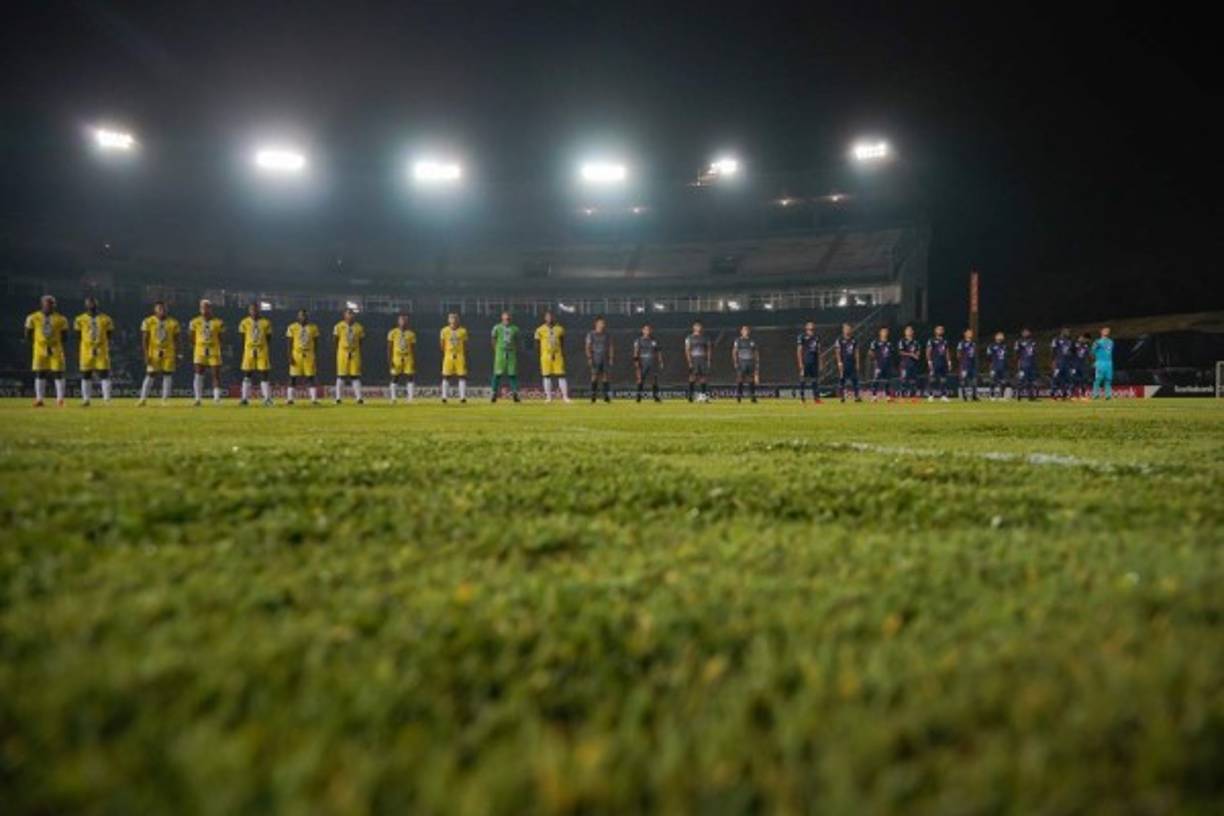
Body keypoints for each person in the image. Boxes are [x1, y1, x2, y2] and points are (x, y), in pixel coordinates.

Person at [24, 295, 68, 407]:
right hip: (40, 348)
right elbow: (27, 333)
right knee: (40, 373)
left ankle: (60, 400)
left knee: (59, 373)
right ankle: (39, 399)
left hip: (56, 348)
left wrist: (53, 342)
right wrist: (38, 343)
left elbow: (64, 336)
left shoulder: (61, 319)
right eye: (48, 303)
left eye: (53, 303)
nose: (51, 305)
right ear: (42, 303)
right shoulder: (32, 317)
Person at [73, 296, 115, 406]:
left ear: (97, 304)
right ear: (85, 305)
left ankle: (107, 400)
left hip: (101, 350)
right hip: (86, 350)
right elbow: (77, 335)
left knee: (104, 374)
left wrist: (100, 343)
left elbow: (110, 335)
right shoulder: (79, 319)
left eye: (93, 303)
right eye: (88, 303)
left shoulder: (106, 319)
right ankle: (86, 399)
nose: (91, 305)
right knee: (86, 374)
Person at [139, 301, 180, 405]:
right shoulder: (148, 321)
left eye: (164, 308)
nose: (162, 310)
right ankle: (143, 399)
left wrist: (178, 354)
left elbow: (177, 340)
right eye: (160, 308)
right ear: (155, 310)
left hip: (169, 352)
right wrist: (145, 354)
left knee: (167, 374)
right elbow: (145, 340)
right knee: (150, 374)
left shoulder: (173, 322)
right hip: (154, 352)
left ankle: (165, 400)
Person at [188, 299, 225, 406]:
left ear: (211, 308)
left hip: (214, 350)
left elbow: (222, 338)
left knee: (216, 375)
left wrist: (217, 346)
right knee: (198, 374)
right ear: (200, 309)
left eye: (207, 307)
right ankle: (198, 399)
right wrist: (199, 345)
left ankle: (217, 399)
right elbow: (191, 337)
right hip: (200, 351)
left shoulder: (218, 322)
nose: (204, 309)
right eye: (202, 307)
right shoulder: (194, 322)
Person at [238, 303, 273, 406]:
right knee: (247, 374)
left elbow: (268, 337)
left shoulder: (266, 322)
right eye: (252, 309)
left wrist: (262, 345)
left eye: (256, 309)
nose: (254, 311)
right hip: (249, 350)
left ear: (259, 310)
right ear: (249, 311)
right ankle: (244, 398)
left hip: (262, 350)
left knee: (264, 374)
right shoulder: (244, 322)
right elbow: (242, 337)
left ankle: (267, 398)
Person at [285, 309, 320, 405]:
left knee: (311, 377)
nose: (303, 317)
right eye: (301, 315)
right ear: (298, 316)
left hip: (309, 354)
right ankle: (290, 399)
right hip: (297, 354)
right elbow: (289, 343)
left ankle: (313, 399)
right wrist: (289, 356)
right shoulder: (292, 327)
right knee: (293, 377)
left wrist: (314, 355)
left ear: (307, 316)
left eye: (304, 315)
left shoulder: (313, 328)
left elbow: (316, 342)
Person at [535, 310, 570, 403]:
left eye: (551, 316)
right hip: (546, 356)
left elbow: (562, 341)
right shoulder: (539, 330)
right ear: (545, 318)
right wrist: (541, 354)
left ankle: (565, 397)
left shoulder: (560, 329)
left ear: (554, 318)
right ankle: (549, 397)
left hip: (557, 355)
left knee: (561, 375)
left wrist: (561, 352)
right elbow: (537, 343)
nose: (549, 318)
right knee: (546, 376)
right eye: (547, 317)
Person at [333, 308, 365, 404]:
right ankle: (338, 398)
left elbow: (361, 341)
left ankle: (359, 398)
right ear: (344, 315)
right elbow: (335, 340)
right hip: (342, 353)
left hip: (355, 352)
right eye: (348, 314)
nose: (350, 316)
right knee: (341, 375)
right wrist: (338, 351)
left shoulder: (359, 327)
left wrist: (356, 350)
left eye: (352, 314)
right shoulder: (338, 326)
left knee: (355, 375)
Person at [490, 312, 521, 402]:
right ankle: (494, 393)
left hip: (511, 353)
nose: (507, 320)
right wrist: (496, 350)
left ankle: (515, 393)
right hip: (500, 352)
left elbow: (517, 340)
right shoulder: (497, 327)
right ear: (502, 319)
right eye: (505, 319)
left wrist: (515, 349)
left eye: (508, 319)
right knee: (497, 373)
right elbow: (493, 339)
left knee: (512, 374)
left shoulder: (515, 328)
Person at [387, 313, 417, 404]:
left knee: (410, 377)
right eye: (401, 320)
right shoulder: (393, 332)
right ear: (398, 321)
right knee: (395, 377)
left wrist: (413, 360)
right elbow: (389, 347)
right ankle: (393, 398)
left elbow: (413, 348)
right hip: (397, 357)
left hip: (408, 357)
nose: (403, 322)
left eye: (405, 320)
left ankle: (410, 399)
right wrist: (390, 360)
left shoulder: (411, 334)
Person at [440, 312, 469, 403]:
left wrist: (463, 354)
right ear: (448, 320)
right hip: (448, 355)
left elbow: (465, 344)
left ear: (458, 320)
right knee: (446, 376)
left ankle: (462, 398)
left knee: (462, 376)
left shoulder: (463, 331)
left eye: (455, 318)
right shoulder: (444, 330)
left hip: (460, 355)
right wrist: (447, 352)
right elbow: (442, 344)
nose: (453, 320)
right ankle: (444, 397)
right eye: (451, 318)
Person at [586, 316, 614, 403]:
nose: (602, 325)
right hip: (595, 358)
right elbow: (587, 347)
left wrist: (611, 358)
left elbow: (610, 346)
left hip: (604, 358)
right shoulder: (591, 334)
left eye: (603, 323)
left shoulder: (607, 335)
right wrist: (589, 357)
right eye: (600, 323)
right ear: (596, 324)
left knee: (605, 377)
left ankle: (606, 397)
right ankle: (593, 396)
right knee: (594, 376)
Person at [634, 324, 663, 403]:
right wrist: (636, 363)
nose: (647, 331)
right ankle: (638, 397)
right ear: (642, 330)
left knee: (654, 380)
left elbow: (658, 352)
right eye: (645, 329)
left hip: (652, 363)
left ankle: (656, 397)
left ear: (651, 331)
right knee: (640, 380)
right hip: (642, 364)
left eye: (649, 329)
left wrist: (660, 361)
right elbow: (636, 352)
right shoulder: (638, 340)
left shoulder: (654, 341)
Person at [684, 320, 712, 402]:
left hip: (703, 359)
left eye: (700, 326)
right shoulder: (689, 338)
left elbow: (709, 349)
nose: (698, 328)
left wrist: (709, 360)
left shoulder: (705, 338)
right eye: (697, 326)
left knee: (703, 378)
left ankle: (704, 396)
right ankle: (690, 396)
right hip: (694, 359)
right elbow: (687, 350)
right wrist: (689, 361)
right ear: (694, 328)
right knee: (692, 377)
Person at [732, 325, 759, 403]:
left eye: (747, 330)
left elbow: (756, 352)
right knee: (740, 379)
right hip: (741, 362)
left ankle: (752, 396)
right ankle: (739, 396)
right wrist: (735, 362)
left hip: (750, 362)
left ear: (749, 331)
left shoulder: (752, 341)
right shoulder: (738, 341)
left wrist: (756, 362)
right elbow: (734, 351)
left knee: (751, 379)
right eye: (744, 330)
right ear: (741, 331)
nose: (745, 331)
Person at [796, 322, 822, 404]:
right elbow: (799, 351)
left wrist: (820, 362)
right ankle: (802, 398)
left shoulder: (816, 337)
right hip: (805, 361)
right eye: (809, 325)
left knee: (815, 380)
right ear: (806, 327)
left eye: (812, 325)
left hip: (814, 362)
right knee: (803, 379)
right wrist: (800, 363)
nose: (811, 327)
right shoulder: (802, 337)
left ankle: (816, 398)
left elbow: (819, 351)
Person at [833, 323, 860, 402]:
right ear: (843, 330)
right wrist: (839, 362)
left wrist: (857, 363)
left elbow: (856, 352)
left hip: (852, 363)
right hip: (844, 363)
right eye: (846, 329)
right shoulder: (839, 340)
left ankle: (857, 396)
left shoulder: (854, 340)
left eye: (849, 329)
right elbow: (837, 351)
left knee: (855, 380)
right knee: (842, 380)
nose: (847, 330)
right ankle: (842, 397)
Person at [867, 326, 894, 402]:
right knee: (876, 380)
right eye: (883, 331)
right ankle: (874, 396)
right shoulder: (875, 342)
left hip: (887, 365)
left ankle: (888, 396)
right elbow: (870, 352)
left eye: (886, 332)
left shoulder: (889, 343)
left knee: (887, 381)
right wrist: (875, 357)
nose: (885, 333)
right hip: (879, 364)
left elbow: (891, 354)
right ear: (880, 333)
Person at [925, 325, 951, 401]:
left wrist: (949, 362)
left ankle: (943, 395)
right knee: (932, 379)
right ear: (935, 331)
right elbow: (928, 351)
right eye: (938, 329)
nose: (940, 331)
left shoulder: (945, 341)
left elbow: (947, 352)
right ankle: (930, 395)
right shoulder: (931, 340)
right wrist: (929, 361)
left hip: (943, 362)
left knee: (943, 379)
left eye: (941, 329)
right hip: (935, 362)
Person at [897, 325, 922, 401]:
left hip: (913, 364)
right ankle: (902, 396)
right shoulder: (902, 341)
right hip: (905, 364)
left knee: (913, 381)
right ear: (905, 332)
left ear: (913, 332)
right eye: (907, 330)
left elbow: (918, 352)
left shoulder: (916, 342)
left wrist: (917, 354)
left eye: (910, 330)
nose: (909, 332)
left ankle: (913, 397)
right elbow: (900, 352)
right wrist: (911, 354)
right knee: (904, 380)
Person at [1014, 328, 1039, 401]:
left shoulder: (1033, 341)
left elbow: (1035, 353)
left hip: (1031, 364)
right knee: (1021, 380)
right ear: (1022, 333)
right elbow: (1016, 353)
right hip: (1023, 364)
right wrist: (1018, 362)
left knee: (1030, 381)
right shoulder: (1019, 341)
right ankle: (1018, 395)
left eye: (1027, 332)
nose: (1026, 333)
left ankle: (1030, 396)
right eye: (1025, 332)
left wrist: (1035, 363)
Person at [1051, 328, 1075, 400]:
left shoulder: (1070, 341)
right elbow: (1053, 351)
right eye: (1066, 332)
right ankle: (1053, 393)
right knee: (1056, 378)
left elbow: (1073, 352)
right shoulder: (1056, 340)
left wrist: (1072, 363)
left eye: (1068, 332)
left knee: (1066, 379)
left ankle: (1065, 394)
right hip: (1058, 362)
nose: (1068, 333)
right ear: (1062, 332)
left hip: (1067, 363)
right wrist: (1053, 361)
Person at [1092, 326, 1114, 400]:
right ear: (1101, 332)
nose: (1106, 331)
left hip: (1109, 363)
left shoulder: (1111, 342)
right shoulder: (1097, 342)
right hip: (1100, 362)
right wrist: (1095, 361)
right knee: (1098, 379)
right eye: (1105, 330)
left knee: (1108, 379)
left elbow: (1109, 353)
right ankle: (1095, 395)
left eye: (1108, 330)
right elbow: (1092, 352)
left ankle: (1108, 395)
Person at [956, 329, 979, 401]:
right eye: (968, 333)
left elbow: (975, 354)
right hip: (965, 365)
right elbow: (958, 353)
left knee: (974, 380)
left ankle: (974, 396)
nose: (970, 334)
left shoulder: (973, 343)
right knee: (963, 380)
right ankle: (964, 396)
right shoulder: (961, 343)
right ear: (965, 334)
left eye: (971, 333)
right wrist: (962, 363)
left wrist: (976, 362)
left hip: (973, 365)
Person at [985, 331, 1009, 401]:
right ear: (995, 337)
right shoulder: (991, 345)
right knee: (993, 381)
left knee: (1003, 381)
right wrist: (991, 364)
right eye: (999, 335)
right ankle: (992, 396)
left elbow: (1006, 356)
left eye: (1002, 335)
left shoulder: (1005, 346)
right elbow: (988, 356)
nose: (1001, 337)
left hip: (1003, 366)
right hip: (994, 366)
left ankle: (1002, 396)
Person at [1072, 332, 1092, 401]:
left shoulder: (1086, 346)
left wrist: (1090, 361)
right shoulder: (1074, 344)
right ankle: (1074, 395)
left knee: (1084, 380)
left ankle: (1083, 395)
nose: (1087, 341)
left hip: (1083, 365)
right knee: (1075, 380)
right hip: (1075, 365)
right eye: (1086, 340)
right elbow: (1070, 353)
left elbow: (1088, 355)